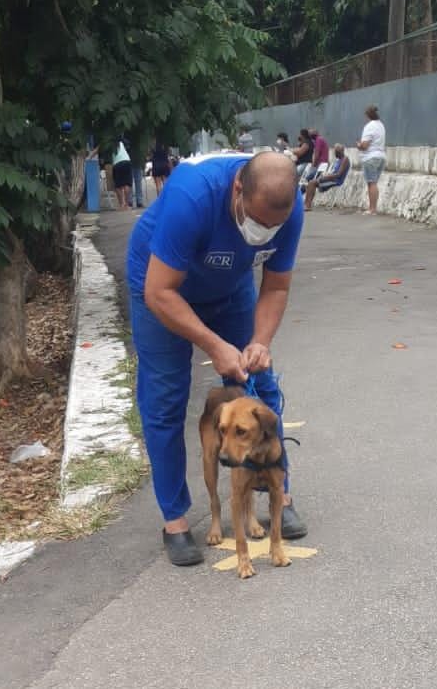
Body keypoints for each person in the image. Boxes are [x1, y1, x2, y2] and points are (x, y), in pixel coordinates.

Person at [126, 151, 308, 566]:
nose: (263, 233)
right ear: (238, 189)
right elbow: (159, 292)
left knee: (261, 389)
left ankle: (279, 492)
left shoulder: (288, 207)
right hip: (161, 286)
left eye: (272, 227)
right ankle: (175, 520)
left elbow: (276, 287)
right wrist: (214, 345)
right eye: (257, 222)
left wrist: (260, 342)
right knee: (165, 399)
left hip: (229, 286)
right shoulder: (193, 196)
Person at [356, 104, 386, 215]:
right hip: (381, 156)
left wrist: (359, 145)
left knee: (371, 183)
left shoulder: (369, 126)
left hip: (370, 157)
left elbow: (365, 145)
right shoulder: (381, 125)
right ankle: (373, 208)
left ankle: (372, 209)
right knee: (374, 183)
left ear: (367, 115)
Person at [304, 143, 350, 211]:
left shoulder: (345, 160)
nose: (335, 154)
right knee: (311, 183)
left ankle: (308, 205)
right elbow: (333, 172)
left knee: (312, 183)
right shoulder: (339, 159)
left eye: (336, 152)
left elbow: (338, 174)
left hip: (336, 181)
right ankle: (306, 204)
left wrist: (325, 177)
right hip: (331, 178)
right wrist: (325, 175)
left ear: (340, 152)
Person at [111, 139, 133, 210]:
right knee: (127, 183)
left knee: (118, 185)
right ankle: (126, 205)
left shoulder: (109, 144)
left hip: (117, 163)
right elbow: (128, 145)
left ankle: (121, 205)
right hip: (126, 161)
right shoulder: (121, 142)